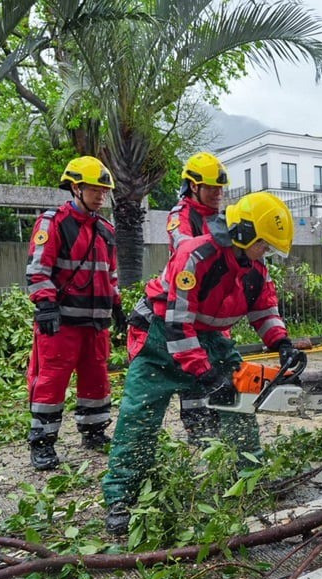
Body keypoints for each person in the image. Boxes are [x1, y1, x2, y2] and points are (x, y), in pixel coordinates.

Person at [102, 192, 303, 535]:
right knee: (139, 417)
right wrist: (207, 376)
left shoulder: (255, 267)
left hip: (211, 336)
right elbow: (178, 324)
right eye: (263, 245)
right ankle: (121, 497)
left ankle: (249, 475)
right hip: (160, 337)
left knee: (240, 401)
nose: (266, 253)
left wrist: (282, 343)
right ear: (242, 234)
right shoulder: (195, 255)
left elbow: (264, 310)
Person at [25, 156, 127, 471]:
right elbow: (38, 269)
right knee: (52, 382)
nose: (100, 195)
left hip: (96, 323)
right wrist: (44, 305)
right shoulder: (53, 222)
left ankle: (94, 432)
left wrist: (117, 305)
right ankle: (42, 444)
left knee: (97, 379)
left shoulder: (106, 230)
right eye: (94, 189)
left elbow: (109, 275)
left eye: (104, 190)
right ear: (75, 187)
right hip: (61, 322)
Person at [166, 152, 230, 439]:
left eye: (221, 188)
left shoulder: (222, 218)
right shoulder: (181, 215)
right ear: (194, 186)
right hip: (190, 302)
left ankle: (216, 416)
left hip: (216, 306)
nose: (218, 193)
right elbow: (185, 248)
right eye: (212, 187)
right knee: (193, 362)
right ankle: (196, 424)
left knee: (219, 363)